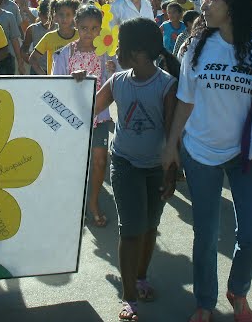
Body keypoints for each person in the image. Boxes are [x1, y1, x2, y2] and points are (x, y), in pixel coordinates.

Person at [162, 0, 252, 322]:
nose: (204, 2)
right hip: (200, 151)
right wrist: (171, 146)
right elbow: (184, 101)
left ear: (231, 4)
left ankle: (238, 291)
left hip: (246, 154)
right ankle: (204, 302)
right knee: (206, 235)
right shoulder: (196, 46)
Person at [88, 17, 179, 322]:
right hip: (124, 165)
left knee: (150, 228)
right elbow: (89, 108)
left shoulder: (167, 85)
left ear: (138, 51)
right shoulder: (117, 82)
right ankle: (129, 298)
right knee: (131, 231)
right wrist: (78, 83)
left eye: (122, 46)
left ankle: (141, 278)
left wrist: (171, 173)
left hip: (156, 168)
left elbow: (171, 134)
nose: (117, 51)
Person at [53, 5, 116, 228]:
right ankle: (73, 204)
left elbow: (116, 84)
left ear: (101, 29)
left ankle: (93, 202)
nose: (89, 33)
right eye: (84, 28)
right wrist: (72, 79)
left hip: (98, 117)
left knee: (99, 161)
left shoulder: (105, 53)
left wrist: (111, 69)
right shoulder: (64, 54)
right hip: (72, 119)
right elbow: (54, 88)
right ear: (75, 26)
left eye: (94, 28)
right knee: (75, 164)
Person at [30, 0, 80, 75]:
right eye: (61, 14)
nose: (64, 18)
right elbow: (33, 58)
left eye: (68, 14)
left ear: (74, 15)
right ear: (55, 16)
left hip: (76, 82)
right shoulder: (49, 37)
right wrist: (45, 77)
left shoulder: (80, 36)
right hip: (56, 82)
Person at [22, 0, 54, 75]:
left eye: (52, 18)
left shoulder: (61, 29)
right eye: (46, 18)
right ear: (39, 15)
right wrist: (32, 62)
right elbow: (23, 50)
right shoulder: (32, 29)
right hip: (37, 71)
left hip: (56, 70)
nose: (49, 21)